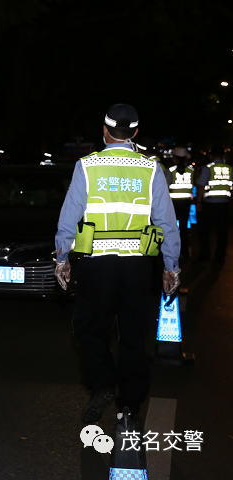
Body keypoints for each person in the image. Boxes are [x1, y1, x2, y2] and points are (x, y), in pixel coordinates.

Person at [54, 104, 181, 425]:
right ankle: (130, 405)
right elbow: (167, 223)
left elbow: (69, 217)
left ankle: (101, 384)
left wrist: (62, 258)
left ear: (105, 131)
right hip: (137, 267)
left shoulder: (87, 166)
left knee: (89, 329)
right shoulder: (151, 169)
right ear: (135, 132)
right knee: (133, 335)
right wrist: (171, 266)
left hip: (96, 265)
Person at [194, 146, 231, 264]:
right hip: (224, 204)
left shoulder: (208, 168)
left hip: (209, 205)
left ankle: (205, 255)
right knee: (222, 231)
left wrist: (198, 202)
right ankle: (220, 256)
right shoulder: (229, 168)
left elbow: (201, 186)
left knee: (204, 231)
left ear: (211, 156)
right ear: (223, 155)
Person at [167, 146, 195, 259]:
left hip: (173, 204)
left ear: (175, 158)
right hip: (186, 203)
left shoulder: (170, 171)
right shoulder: (191, 170)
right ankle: (185, 252)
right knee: (184, 228)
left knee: (172, 229)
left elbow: (166, 186)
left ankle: (174, 253)